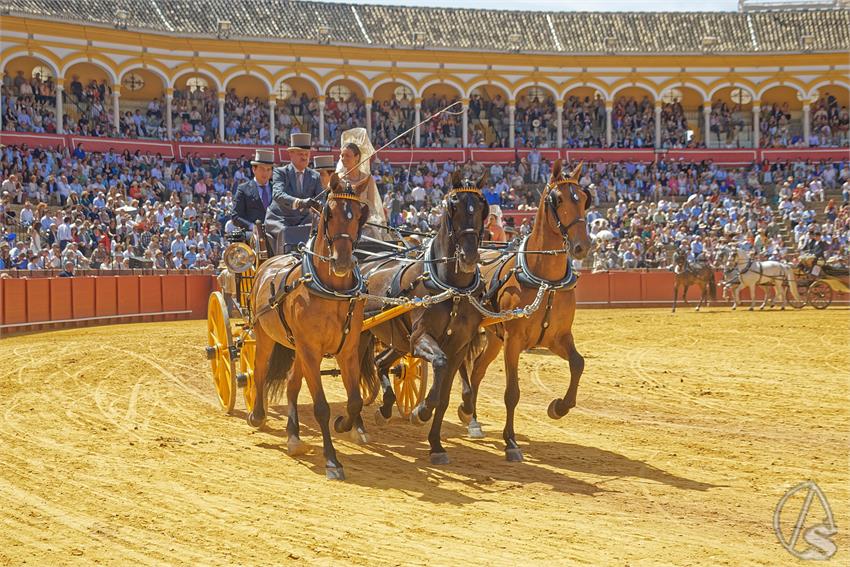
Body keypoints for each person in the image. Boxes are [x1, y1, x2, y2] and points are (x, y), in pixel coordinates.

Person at [265, 133, 322, 255]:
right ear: (291, 154)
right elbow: (278, 194)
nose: (304, 157)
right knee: (286, 232)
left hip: (304, 220)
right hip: (280, 218)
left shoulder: (315, 176)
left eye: (307, 154)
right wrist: (299, 202)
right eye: (301, 154)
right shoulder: (280, 173)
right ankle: (283, 266)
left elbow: (321, 199)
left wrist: (319, 205)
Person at [336, 128, 387, 240]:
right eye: (342, 155)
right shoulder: (338, 179)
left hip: (364, 224)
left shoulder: (368, 179)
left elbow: (370, 205)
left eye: (347, 156)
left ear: (357, 157)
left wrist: (361, 221)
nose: (343, 159)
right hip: (343, 225)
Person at [232, 149, 274, 234]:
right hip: (252, 237)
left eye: (268, 169)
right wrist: (252, 226)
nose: (265, 173)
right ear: (254, 169)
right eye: (262, 169)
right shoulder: (243, 189)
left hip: (275, 235)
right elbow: (235, 217)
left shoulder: (277, 189)